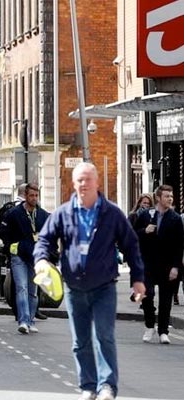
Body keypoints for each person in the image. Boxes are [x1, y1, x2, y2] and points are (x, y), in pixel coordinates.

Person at [34, 162, 146, 400]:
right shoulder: (63, 213)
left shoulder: (112, 213)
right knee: (80, 341)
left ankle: (107, 387)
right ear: (74, 184)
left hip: (104, 286)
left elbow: (131, 244)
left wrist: (138, 279)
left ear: (97, 182)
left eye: (88, 179)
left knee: (104, 336)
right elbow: (44, 240)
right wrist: (42, 260)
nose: (84, 184)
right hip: (74, 287)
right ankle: (88, 386)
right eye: (79, 180)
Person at [133, 185, 182, 344]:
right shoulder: (146, 216)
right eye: (167, 196)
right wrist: (144, 231)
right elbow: (132, 236)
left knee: (166, 299)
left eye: (171, 196)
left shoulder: (175, 219)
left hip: (167, 265)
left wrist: (176, 267)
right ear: (159, 198)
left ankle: (163, 331)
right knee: (146, 294)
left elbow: (179, 245)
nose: (170, 199)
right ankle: (149, 325)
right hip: (147, 263)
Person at [2, 183, 49, 334]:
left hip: (35, 258)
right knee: (21, 288)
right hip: (18, 256)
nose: (34, 198)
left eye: (36, 196)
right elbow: (2, 231)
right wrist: (11, 246)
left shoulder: (43, 215)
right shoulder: (14, 213)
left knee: (33, 292)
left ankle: (31, 320)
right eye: (31, 195)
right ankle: (23, 320)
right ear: (25, 196)